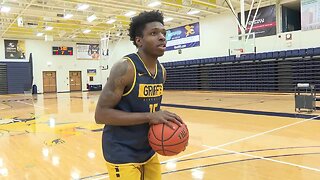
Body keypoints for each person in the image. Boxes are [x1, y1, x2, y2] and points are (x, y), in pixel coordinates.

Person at [95, 10, 183, 180]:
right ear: (139, 41)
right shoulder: (125, 68)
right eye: (153, 33)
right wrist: (151, 116)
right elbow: (101, 114)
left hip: (148, 149)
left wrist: (174, 134)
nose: (162, 37)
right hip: (121, 150)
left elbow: (150, 111)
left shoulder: (161, 72)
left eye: (163, 33)